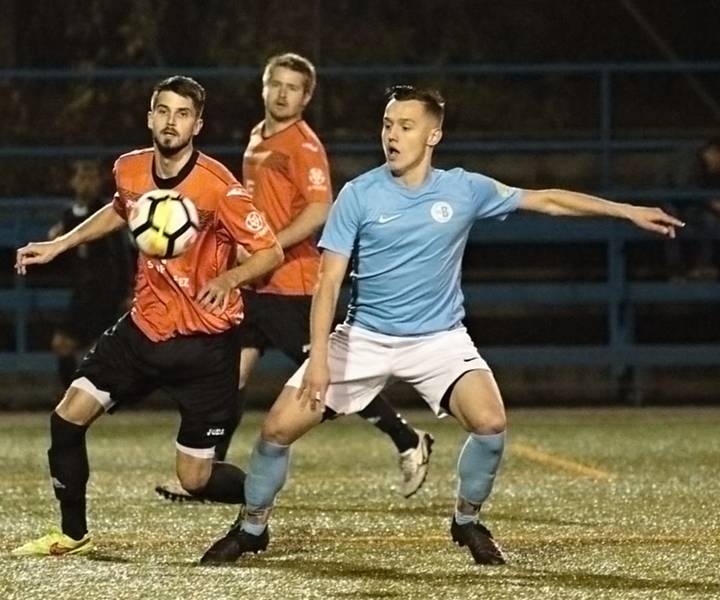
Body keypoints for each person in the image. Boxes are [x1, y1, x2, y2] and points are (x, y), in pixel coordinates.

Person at [199, 85, 683, 566]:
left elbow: (548, 200)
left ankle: (467, 519)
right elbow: (327, 284)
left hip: (439, 339)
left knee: (491, 425)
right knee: (276, 432)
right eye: (387, 124)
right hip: (364, 337)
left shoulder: (464, 189)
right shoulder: (359, 194)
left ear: (434, 135)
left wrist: (627, 211)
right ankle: (252, 527)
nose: (392, 135)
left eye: (405, 126)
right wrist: (320, 359)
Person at [11, 75, 284, 556]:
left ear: (197, 124)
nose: (171, 122)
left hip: (204, 345)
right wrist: (61, 243)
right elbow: (121, 210)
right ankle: (73, 534)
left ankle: (257, 505)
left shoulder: (220, 186)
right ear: (150, 116)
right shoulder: (129, 169)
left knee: (194, 478)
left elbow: (270, 252)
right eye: (163, 111)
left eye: (182, 114)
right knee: (67, 418)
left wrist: (226, 280)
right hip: (143, 328)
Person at [155, 53, 433, 503]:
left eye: (292, 87)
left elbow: (320, 209)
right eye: (275, 84)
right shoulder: (257, 136)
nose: (282, 94)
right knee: (231, 376)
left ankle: (408, 440)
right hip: (256, 283)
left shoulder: (303, 145)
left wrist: (272, 247)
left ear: (306, 96)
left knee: (331, 381)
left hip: (293, 285)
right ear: (264, 88)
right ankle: (207, 474)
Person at [48, 160, 133, 391]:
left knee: (98, 350)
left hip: (105, 294)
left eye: (92, 178)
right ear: (73, 182)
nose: (87, 183)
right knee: (63, 344)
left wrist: (127, 291)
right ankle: (74, 395)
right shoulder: (68, 216)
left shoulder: (106, 214)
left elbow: (122, 256)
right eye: (82, 177)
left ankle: (96, 397)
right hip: (81, 295)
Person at [664, 137, 720, 280]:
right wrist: (711, 203)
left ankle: (703, 267)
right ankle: (676, 270)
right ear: (711, 152)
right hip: (675, 207)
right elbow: (684, 189)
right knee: (671, 222)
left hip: (696, 210)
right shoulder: (689, 163)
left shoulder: (710, 170)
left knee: (710, 221)